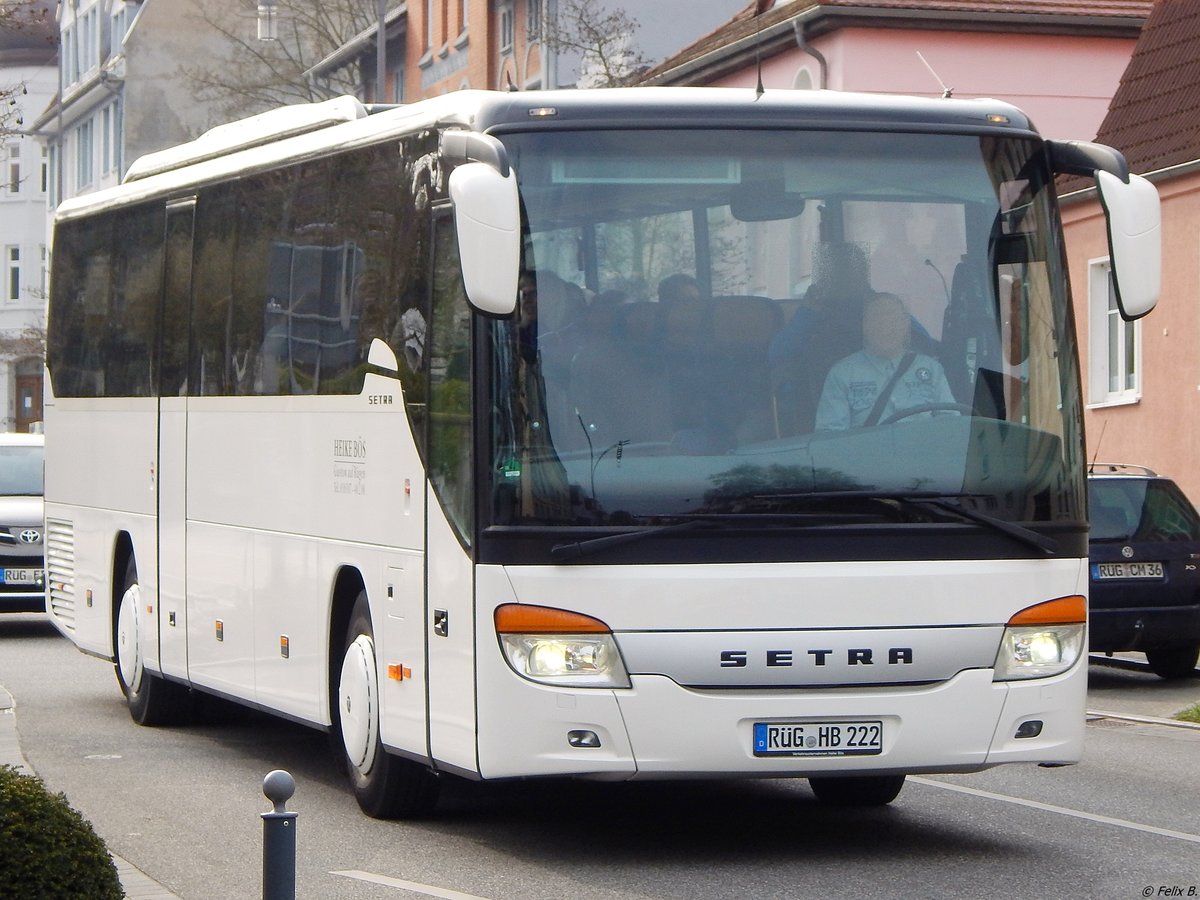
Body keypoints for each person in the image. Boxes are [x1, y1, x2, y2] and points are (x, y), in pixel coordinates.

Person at [815, 292, 956, 431]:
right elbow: (829, 439)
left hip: (923, 452)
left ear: (906, 326)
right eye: (877, 319)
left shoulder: (932, 369)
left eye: (893, 319)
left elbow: (950, 426)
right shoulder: (842, 374)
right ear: (865, 326)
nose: (885, 326)